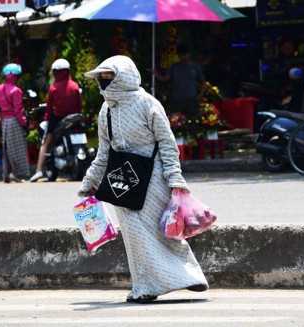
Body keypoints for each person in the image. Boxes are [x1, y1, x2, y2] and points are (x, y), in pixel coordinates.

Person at [78, 55, 208, 304]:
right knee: (135, 235)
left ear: (124, 75)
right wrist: (89, 182)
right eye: (102, 77)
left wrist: (175, 179)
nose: (105, 82)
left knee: (163, 232)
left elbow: (167, 144)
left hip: (154, 177)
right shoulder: (105, 110)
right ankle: (145, 287)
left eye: (109, 76)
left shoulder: (148, 103)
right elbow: (104, 152)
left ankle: (189, 277)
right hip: (121, 180)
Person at [30, 59, 82, 182]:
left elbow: (49, 108)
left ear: (55, 72)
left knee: (45, 143)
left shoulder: (54, 87)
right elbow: (79, 104)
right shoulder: (75, 86)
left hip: (57, 119)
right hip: (75, 118)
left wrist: (47, 119)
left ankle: (38, 170)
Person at [0, 63, 30, 183]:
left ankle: (7, 172)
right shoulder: (16, 91)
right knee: (17, 149)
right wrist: (24, 123)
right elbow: (18, 110)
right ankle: (17, 174)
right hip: (14, 121)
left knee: (6, 148)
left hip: (4, 121)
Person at [153, 43, 206, 118]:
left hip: (191, 99)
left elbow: (203, 82)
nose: (183, 57)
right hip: (177, 100)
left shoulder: (195, 67)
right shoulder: (173, 67)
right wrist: (156, 75)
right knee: (176, 121)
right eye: (181, 55)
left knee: (193, 122)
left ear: (189, 54)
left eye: (185, 55)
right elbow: (165, 79)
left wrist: (200, 95)